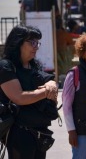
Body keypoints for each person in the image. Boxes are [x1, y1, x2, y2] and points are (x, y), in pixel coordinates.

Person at [0, 25, 59, 159]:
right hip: (20, 133)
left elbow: (48, 80)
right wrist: (46, 92)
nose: (36, 47)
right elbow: (19, 97)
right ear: (18, 43)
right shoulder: (6, 66)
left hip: (40, 132)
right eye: (32, 42)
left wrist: (51, 84)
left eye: (37, 43)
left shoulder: (33, 65)